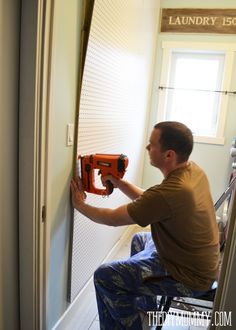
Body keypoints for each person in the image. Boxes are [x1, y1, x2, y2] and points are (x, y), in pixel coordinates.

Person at [70, 121, 220, 330]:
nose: (148, 148)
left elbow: (113, 218)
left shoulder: (173, 191)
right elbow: (150, 201)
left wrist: (80, 205)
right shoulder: (192, 171)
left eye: (152, 144)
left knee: (105, 276)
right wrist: (120, 183)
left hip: (190, 276)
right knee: (140, 240)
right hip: (194, 260)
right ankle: (147, 312)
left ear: (169, 155)